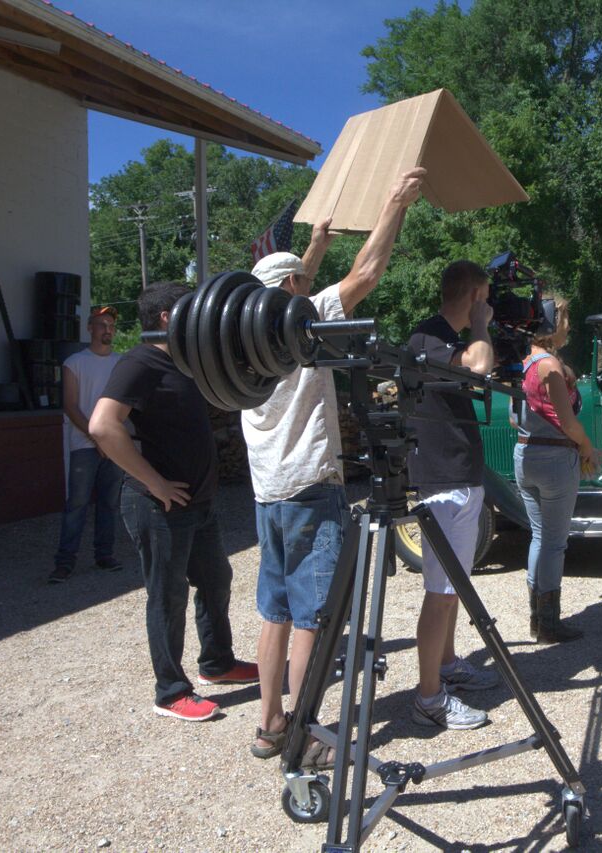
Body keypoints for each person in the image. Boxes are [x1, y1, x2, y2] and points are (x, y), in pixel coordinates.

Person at [242, 168, 426, 761]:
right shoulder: (306, 326)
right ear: (294, 287)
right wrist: (394, 201)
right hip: (311, 490)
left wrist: (314, 245)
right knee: (314, 619)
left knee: (274, 611)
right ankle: (309, 734)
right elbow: (366, 274)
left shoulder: (240, 338)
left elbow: (296, 287)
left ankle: (270, 724)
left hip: (266, 494)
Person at [88, 282, 257, 722]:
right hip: (156, 505)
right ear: (167, 317)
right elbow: (103, 426)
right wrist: (156, 483)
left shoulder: (181, 363)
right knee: (167, 596)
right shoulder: (139, 361)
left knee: (216, 579)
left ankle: (217, 664)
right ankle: (170, 691)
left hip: (197, 505)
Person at [405, 260, 501, 730]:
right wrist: (481, 325)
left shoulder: (446, 339)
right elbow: (481, 365)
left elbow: (477, 366)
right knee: (441, 593)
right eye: (486, 297)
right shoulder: (427, 338)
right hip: (443, 482)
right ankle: (429, 698)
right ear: (475, 295)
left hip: (458, 476)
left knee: (453, 587)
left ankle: (445, 667)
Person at [513, 296, 601, 643]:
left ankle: (538, 618)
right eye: (565, 321)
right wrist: (587, 447)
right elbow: (569, 423)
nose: (569, 328)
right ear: (551, 325)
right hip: (554, 460)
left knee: (538, 537)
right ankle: (549, 624)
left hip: (525, 454)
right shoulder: (548, 366)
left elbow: (511, 417)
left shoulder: (522, 362)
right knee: (554, 543)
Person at [48, 306, 126, 583]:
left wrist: (112, 438)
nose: (107, 329)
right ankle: (65, 561)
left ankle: (104, 555)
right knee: (77, 503)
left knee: (109, 502)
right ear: (90, 328)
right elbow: (70, 405)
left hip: (114, 443)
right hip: (83, 444)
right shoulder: (74, 363)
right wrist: (96, 438)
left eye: (111, 325)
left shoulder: (121, 363)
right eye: (101, 324)